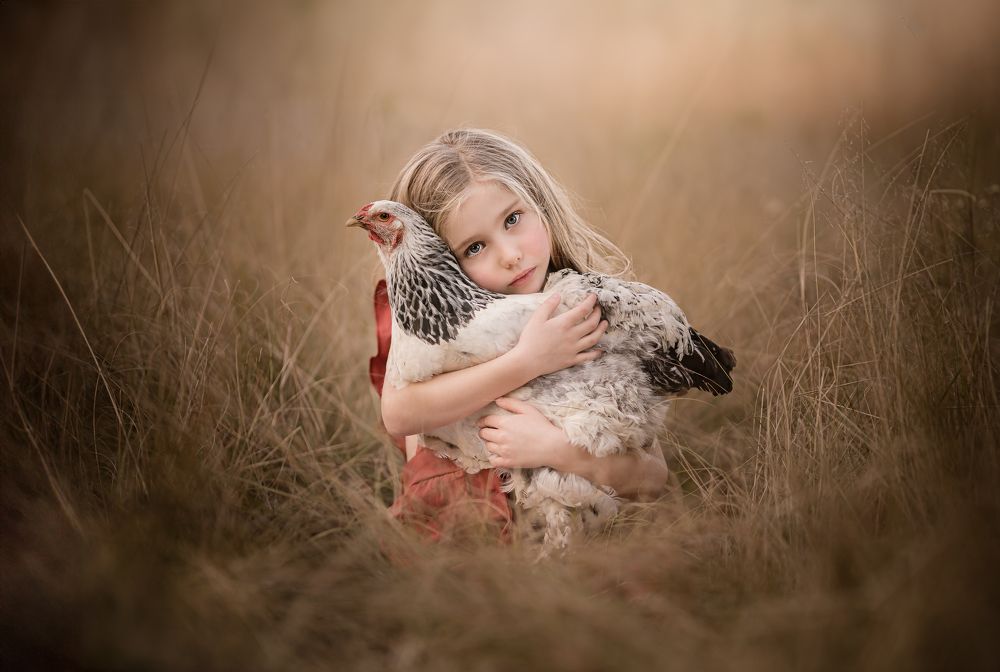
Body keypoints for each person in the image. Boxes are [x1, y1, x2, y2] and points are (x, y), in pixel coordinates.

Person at [370, 128, 670, 542]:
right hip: (457, 545)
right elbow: (400, 414)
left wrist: (557, 450)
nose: (510, 255)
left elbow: (653, 478)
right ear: (435, 260)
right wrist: (528, 361)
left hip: (574, 544)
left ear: (540, 205)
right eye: (474, 248)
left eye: (513, 220)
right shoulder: (429, 335)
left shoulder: (584, 315)